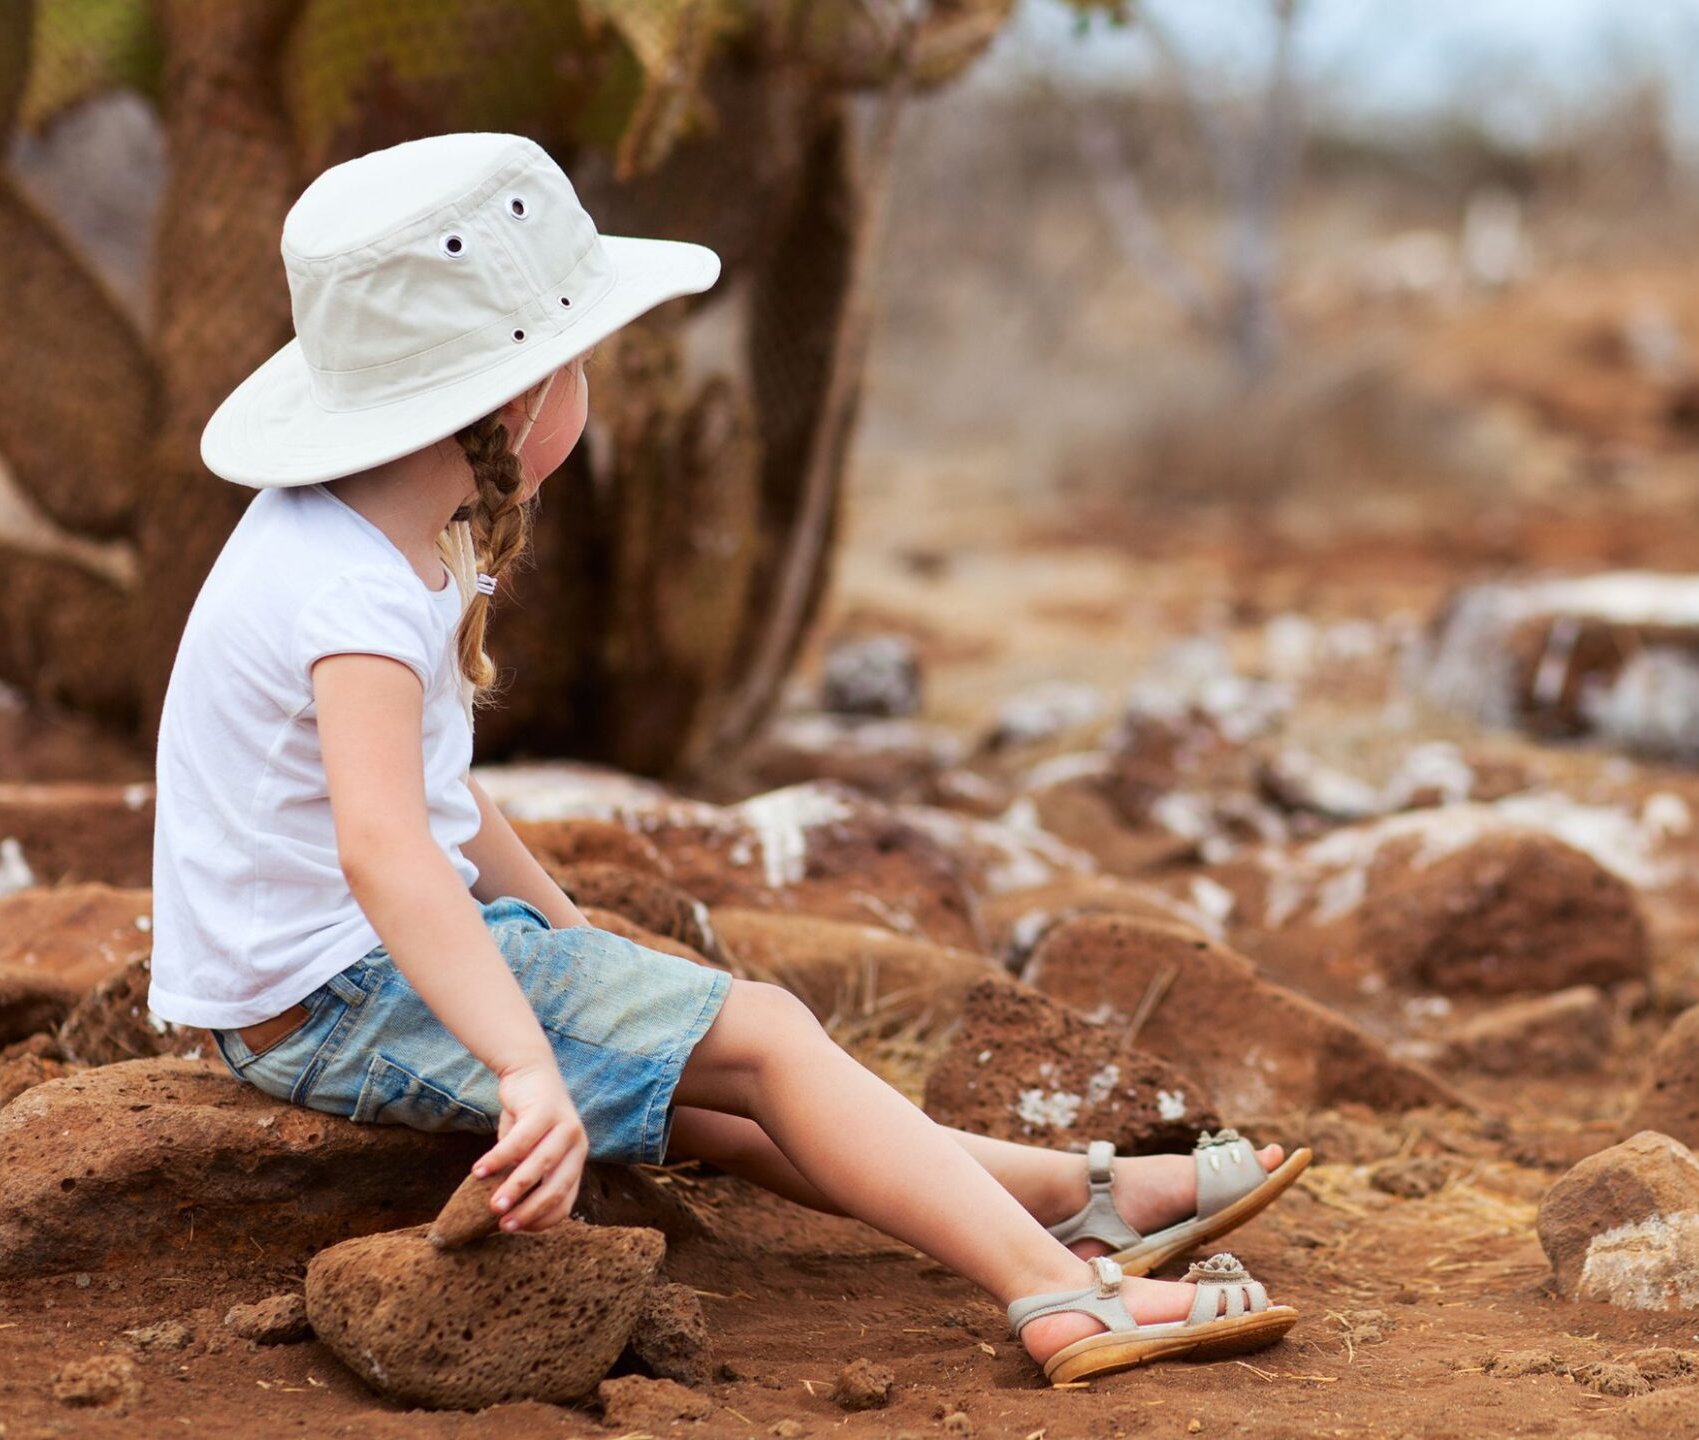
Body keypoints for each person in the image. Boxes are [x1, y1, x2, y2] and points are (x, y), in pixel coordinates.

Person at [150, 132, 1307, 1386]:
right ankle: (1062, 1294)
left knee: (703, 1087)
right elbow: (382, 847)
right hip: (332, 997)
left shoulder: (382, 529)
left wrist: (561, 929)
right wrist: (523, 1060)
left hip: (317, 984)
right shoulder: (351, 593)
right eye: (579, 359)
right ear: (518, 400)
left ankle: (1070, 1199)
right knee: (769, 1034)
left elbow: (438, 798)